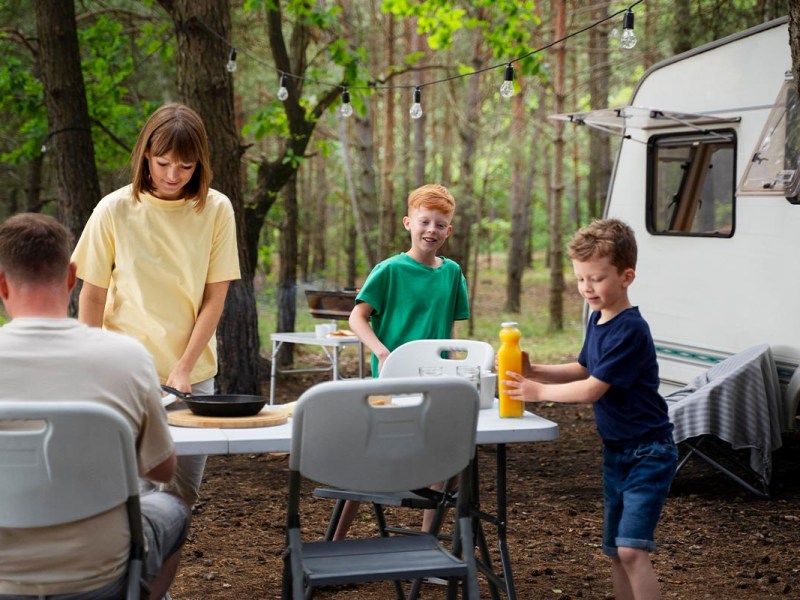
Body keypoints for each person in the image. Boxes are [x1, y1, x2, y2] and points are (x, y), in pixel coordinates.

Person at [0, 213, 188, 599]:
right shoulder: (127, 358)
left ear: (1, 283)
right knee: (173, 508)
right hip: (100, 572)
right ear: (71, 277)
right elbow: (162, 468)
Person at [71, 103, 241, 508]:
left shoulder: (217, 209)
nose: (172, 175)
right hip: (123, 374)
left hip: (192, 377)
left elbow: (214, 298)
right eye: (163, 162)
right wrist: (93, 367)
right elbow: (91, 295)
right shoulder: (113, 209)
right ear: (146, 155)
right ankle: (129, 574)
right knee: (129, 496)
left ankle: (156, 575)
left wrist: (183, 368)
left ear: (200, 163)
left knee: (180, 498)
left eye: (185, 166)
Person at [502, 218, 677, 600]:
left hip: (649, 451)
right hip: (617, 451)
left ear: (626, 276)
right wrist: (535, 369)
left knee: (632, 548)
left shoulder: (631, 328)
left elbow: (591, 389)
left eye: (596, 279)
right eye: (581, 279)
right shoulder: (599, 319)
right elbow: (583, 368)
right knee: (616, 550)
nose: (586, 288)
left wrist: (537, 390)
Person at [334, 183, 470, 540]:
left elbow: (450, 331)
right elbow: (356, 317)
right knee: (370, 460)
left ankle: (428, 540)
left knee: (447, 454)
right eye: (425, 221)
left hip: (436, 382)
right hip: (391, 382)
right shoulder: (390, 270)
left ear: (449, 230)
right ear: (408, 222)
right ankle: (336, 540)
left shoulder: (452, 273)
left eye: (440, 224)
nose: (432, 230)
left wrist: (458, 368)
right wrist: (380, 350)